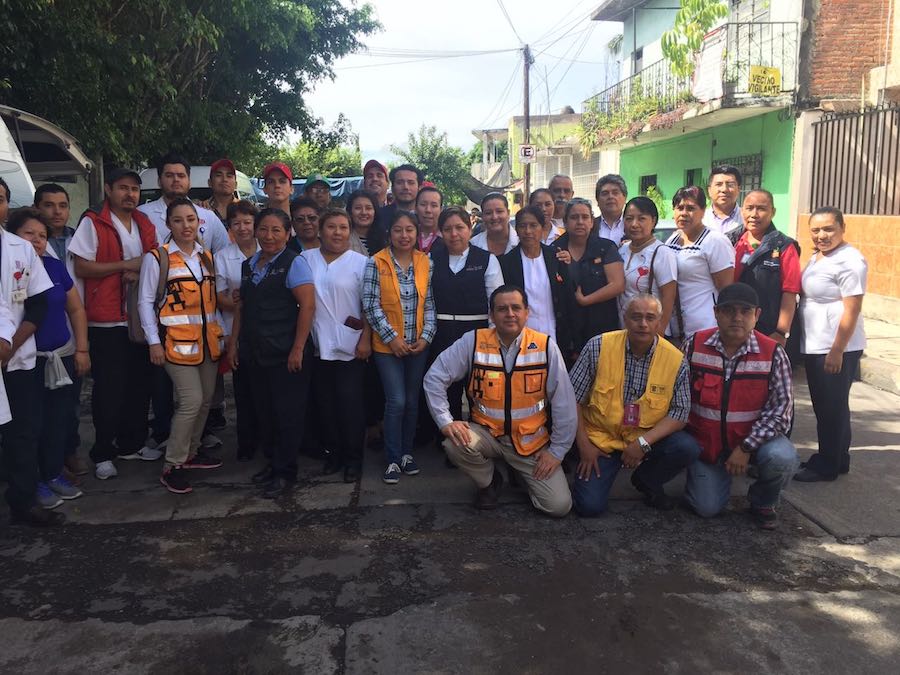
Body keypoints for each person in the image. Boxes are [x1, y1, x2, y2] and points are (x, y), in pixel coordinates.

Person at [424, 285, 575, 516]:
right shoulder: (473, 341)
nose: (510, 314)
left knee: (558, 507)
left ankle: (520, 473)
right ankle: (490, 481)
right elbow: (434, 378)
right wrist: (446, 421)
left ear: (527, 312)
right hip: (486, 435)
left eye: (516, 308)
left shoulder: (545, 346)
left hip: (529, 443)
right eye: (502, 309)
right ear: (492, 315)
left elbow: (564, 402)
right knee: (453, 442)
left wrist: (557, 452)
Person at [569, 294, 699, 516]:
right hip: (601, 441)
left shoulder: (676, 360)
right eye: (636, 317)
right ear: (625, 319)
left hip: (646, 439)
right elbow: (572, 399)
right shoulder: (598, 346)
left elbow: (680, 412)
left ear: (659, 322)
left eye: (650, 318)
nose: (643, 324)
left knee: (686, 447)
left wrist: (643, 443)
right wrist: (584, 446)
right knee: (589, 507)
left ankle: (647, 479)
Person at [682, 283, 798, 530]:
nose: (737, 317)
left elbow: (781, 412)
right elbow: (677, 395)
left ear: (756, 315)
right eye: (729, 310)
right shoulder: (694, 344)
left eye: (745, 311)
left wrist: (746, 447)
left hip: (753, 443)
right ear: (716, 313)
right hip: (706, 445)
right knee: (706, 508)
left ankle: (763, 501)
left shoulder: (773, 353)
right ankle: (709, 475)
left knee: (782, 457)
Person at [69, 168, 157, 480]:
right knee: (109, 389)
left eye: (135, 189)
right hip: (106, 318)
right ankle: (103, 451)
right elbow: (81, 266)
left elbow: (155, 258)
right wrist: (123, 266)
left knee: (138, 384)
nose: (130, 194)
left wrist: (141, 269)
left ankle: (131, 443)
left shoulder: (144, 222)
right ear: (108, 189)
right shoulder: (94, 222)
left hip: (139, 316)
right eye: (123, 188)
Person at [139, 198, 225, 494]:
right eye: (178, 220)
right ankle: (172, 464)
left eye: (191, 220)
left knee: (205, 400)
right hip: (176, 343)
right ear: (168, 224)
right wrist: (153, 342)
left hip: (208, 343)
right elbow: (145, 302)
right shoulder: (158, 258)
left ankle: (192, 451)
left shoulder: (206, 257)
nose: (186, 226)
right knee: (190, 401)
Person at [228, 208, 315, 498]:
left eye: (276, 230)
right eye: (264, 229)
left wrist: (298, 348)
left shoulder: (294, 263)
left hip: (285, 352)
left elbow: (308, 307)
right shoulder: (250, 265)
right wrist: (234, 344)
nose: (269, 236)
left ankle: (285, 471)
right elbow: (242, 308)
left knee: (287, 414)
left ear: (288, 233)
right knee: (264, 413)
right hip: (255, 352)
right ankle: (272, 464)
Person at [7, 209, 89, 507]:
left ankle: (53, 473)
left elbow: (76, 310)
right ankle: (33, 482)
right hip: (24, 361)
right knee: (30, 426)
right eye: (30, 234)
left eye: (43, 236)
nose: (38, 241)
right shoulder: (8, 270)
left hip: (60, 357)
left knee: (58, 420)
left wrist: (81, 349)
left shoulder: (54, 268)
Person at [419, 206, 504, 449]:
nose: (454, 234)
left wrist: (492, 338)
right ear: (440, 232)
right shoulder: (430, 259)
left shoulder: (487, 259)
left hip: (477, 332)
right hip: (442, 332)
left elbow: (495, 300)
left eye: (459, 227)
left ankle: (481, 444)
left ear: (469, 228)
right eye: (447, 229)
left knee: (478, 390)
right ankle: (451, 443)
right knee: (448, 389)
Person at [795, 207, 867, 483]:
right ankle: (838, 459)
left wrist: (837, 349)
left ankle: (826, 465)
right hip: (817, 342)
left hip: (835, 346)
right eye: (816, 230)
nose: (822, 235)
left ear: (842, 228)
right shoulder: (820, 256)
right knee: (833, 405)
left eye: (828, 229)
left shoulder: (850, 261)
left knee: (829, 407)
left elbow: (852, 309)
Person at [362, 210, 435, 484]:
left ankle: (407, 453)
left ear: (417, 233)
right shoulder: (375, 262)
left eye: (409, 230)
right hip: (386, 347)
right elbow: (370, 305)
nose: (404, 235)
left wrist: (426, 336)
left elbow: (429, 303)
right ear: (389, 233)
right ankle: (392, 458)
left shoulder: (425, 261)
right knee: (397, 401)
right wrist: (392, 338)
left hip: (418, 344)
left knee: (413, 402)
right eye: (398, 230)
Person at [302, 208, 370, 483]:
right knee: (325, 405)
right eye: (331, 227)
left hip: (352, 347)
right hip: (318, 345)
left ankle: (354, 459)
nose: (337, 233)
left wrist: (366, 339)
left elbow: (370, 305)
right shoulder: (306, 259)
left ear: (349, 231)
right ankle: (334, 455)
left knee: (350, 406)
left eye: (343, 227)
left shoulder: (361, 262)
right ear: (320, 230)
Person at [0, 210, 58, 525]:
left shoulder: (20, 250)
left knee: (23, 432)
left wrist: (10, 347)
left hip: (17, 358)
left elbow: (37, 304)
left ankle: (23, 502)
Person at [33, 183, 88, 477]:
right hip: (35, 339)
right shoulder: (28, 246)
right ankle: (45, 466)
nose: (57, 212)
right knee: (39, 407)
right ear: (37, 208)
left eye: (62, 205)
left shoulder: (78, 239)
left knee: (69, 401)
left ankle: (68, 451)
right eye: (49, 205)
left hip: (71, 333)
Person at [215, 200, 260, 462]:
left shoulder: (268, 250)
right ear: (229, 227)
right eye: (236, 223)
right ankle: (247, 442)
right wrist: (242, 303)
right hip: (235, 329)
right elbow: (217, 297)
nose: (242, 228)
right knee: (243, 390)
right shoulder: (222, 256)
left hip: (266, 330)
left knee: (265, 388)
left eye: (247, 222)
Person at [554, 198, 624, 358]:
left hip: (601, 327)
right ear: (565, 222)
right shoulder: (554, 249)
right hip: (566, 331)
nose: (580, 222)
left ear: (592, 222)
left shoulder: (605, 247)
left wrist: (586, 300)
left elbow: (617, 284)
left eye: (585, 217)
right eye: (574, 217)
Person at [728, 190, 801, 343]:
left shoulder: (784, 246)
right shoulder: (731, 241)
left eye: (761, 208)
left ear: (772, 212)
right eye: (749, 208)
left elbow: (790, 292)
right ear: (742, 211)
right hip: (732, 326)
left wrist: (781, 332)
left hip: (768, 330)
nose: (754, 214)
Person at [499, 206, 572, 358]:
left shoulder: (556, 257)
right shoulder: (507, 262)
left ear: (542, 227)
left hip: (554, 331)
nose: (528, 231)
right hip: (521, 334)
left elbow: (567, 296)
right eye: (522, 226)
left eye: (533, 225)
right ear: (516, 229)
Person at [664, 186, 735, 341]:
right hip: (674, 328)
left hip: (704, 327)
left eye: (690, 208)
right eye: (679, 208)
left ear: (703, 211)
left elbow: (726, 289)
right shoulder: (673, 239)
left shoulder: (715, 241)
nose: (684, 213)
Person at [138, 152, 229, 254]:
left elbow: (225, 256)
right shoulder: (143, 214)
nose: (176, 179)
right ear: (159, 181)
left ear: (189, 181)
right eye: (169, 175)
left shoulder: (208, 216)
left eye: (181, 176)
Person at [617, 196, 677, 332]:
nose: (634, 224)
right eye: (629, 218)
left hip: (649, 331)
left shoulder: (662, 253)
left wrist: (658, 334)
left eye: (641, 218)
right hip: (625, 330)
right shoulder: (622, 250)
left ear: (653, 221)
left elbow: (668, 297)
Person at [368, 164, 423, 254]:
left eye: (411, 182)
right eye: (400, 182)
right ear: (392, 188)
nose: (405, 187)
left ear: (419, 187)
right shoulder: (378, 216)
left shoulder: (425, 217)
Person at [471, 192, 519, 257]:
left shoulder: (521, 242)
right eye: (488, 213)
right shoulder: (473, 245)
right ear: (482, 216)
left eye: (499, 211)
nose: (494, 217)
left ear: (508, 213)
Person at [703, 165, 744, 234]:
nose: (724, 189)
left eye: (730, 185)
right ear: (709, 190)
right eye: (718, 184)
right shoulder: (699, 219)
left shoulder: (748, 218)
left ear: (738, 190)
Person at [201, 159, 240, 223]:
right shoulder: (201, 209)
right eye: (218, 175)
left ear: (235, 184)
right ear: (209, 183)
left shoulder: (245, 209)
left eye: (229, 176)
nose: (224, 179)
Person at [594, 174, 627, 244]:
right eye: (605, 193)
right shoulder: (590, 226)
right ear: (597, 200)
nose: (610, 197)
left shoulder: (633, 225)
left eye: (615, 193)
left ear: (625, 198)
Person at [414, 186, 445, 254]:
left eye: (434, 205)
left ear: (441, 209)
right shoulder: (409, 235)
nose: (428, 210)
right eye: (423, 204)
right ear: (415, 208)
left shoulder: (447, 237)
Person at [347, 189, 378, 255]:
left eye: (368, 208)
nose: (363, 212)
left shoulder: (385, 238)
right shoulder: (344, 238)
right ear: (350, 212)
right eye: (358, 208)